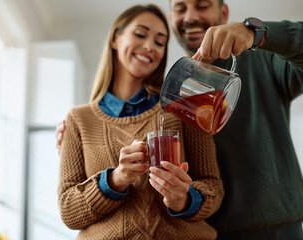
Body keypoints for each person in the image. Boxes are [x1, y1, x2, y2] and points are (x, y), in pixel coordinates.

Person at [57, 0, 303, 239]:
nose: (190, 17)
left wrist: (256, 32)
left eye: (202, 5)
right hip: (209, 230)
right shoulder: (177, 90)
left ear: (223, 12)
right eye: (181, 8)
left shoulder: (266, 62)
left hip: (273, 231)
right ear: (173, 17)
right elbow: (71, 204)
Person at [57, 4, 224, 239]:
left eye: (160, 42)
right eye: (140, 34)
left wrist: (184, 199)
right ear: (115, 38)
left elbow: (213, 188)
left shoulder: (183, 107)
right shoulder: (78, 120)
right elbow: (68, 211)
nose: (149, 46)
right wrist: (116, 179)